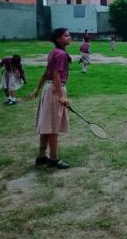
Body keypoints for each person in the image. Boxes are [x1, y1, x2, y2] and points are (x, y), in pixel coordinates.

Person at [30, 28, 72, 169]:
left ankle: (42, 157)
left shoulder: (54, 52)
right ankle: (53, 159)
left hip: (49, 89)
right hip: (55, 89)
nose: (69, 37)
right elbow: (55, 74)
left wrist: (37, 88)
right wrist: (61, 96)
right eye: (66, 35)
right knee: (53, 127)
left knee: (47, 125)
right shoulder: (60, 54)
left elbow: (46, 72)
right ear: (58, 39)